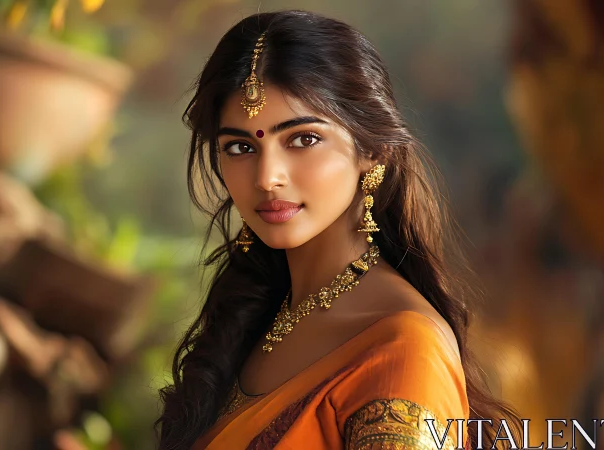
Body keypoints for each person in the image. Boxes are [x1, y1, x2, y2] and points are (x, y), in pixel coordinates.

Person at [156, 10, 518, 450]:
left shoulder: (404, 351)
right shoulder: (259, 314)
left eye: (303, 139)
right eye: (240, 147)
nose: (267, 177)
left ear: (373, 150)